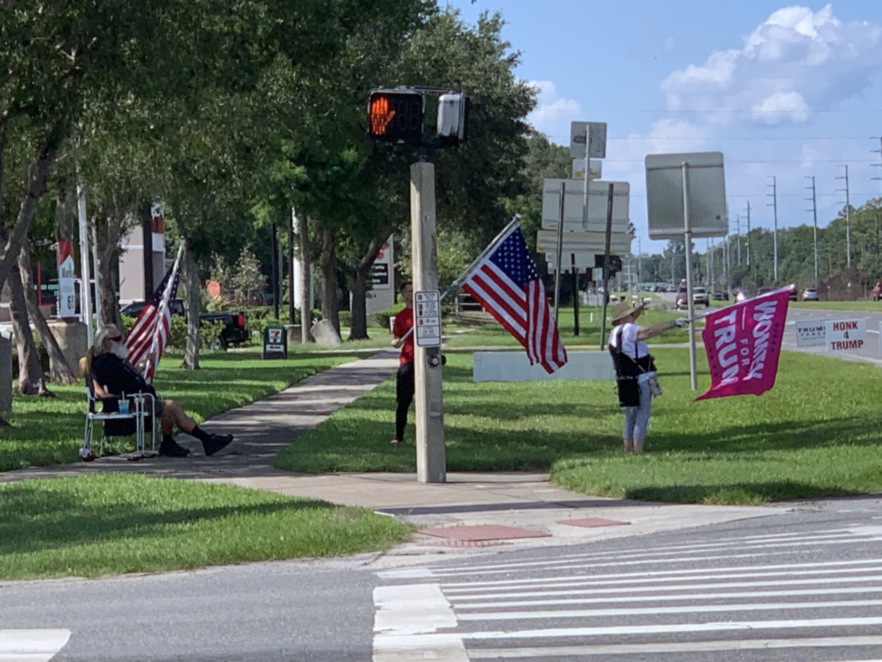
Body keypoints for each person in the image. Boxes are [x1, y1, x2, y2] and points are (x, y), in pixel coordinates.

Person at [83, 324, 235, 458]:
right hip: (128, 403)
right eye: (117, 339)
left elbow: (126, 378)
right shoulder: (101, 362)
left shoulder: (115, 360)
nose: (121, 341)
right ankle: (202, 440)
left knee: (169, 408)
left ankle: (194, 441)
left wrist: (143, 365)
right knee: (169, 406)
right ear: (106, 342)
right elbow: (98, 392)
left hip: (139, 399)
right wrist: (116, 400)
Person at [608, 301, 686, 454]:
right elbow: (649, 332)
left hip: (625, 379)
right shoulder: (629, 329)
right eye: (630, 314)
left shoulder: (613, 334)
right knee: (642, 414)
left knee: (630, 415)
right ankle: (638, 450)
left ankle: (627, 448)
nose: (633, 317)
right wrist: (673, 323)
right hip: (642, 378)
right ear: (624, 318)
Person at [390, 281, 415, 445]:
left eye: (413, 290)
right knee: (403, 401)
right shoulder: (400, 316)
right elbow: (396, 338)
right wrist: (395, 342)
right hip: (407, 361)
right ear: (402, 294)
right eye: (407, 291)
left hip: (424, 361)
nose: (410, 293)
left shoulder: (426, 312)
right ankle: (399, 436)